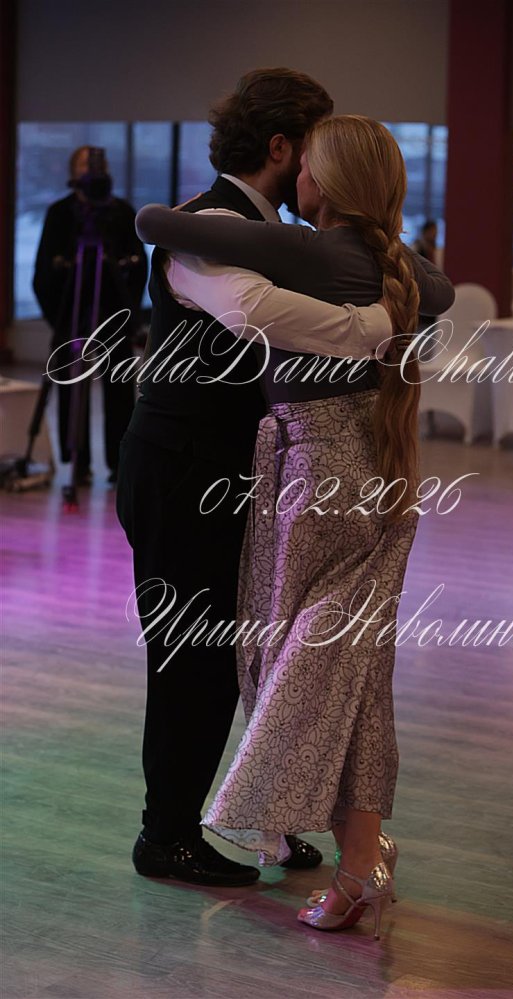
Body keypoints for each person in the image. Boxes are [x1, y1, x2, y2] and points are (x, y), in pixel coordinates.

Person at [135, 113, 455, 937]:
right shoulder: (385, 262)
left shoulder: (310, 251)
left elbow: (154, 222)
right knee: (352, 665)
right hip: (369, 466)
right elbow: (442, 293)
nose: (299, 179)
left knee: (309, 662)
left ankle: (342, 851)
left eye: (312, 164)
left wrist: (213, 245)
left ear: (327, 179)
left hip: (319, 473)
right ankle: (360, 852)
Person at [33, 146, 147, 484]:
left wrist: (129, 314)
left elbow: (139, 268)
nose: (93, 171)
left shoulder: (121, 212)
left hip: (113, 314)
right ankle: (77, 462)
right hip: (72, 312)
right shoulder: (60, 213)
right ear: (73, 172)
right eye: (85, 165)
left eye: (98, 165)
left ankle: (119, 462)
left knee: (119, 386)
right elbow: (43, 272)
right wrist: (58, 320)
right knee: (71, 383)